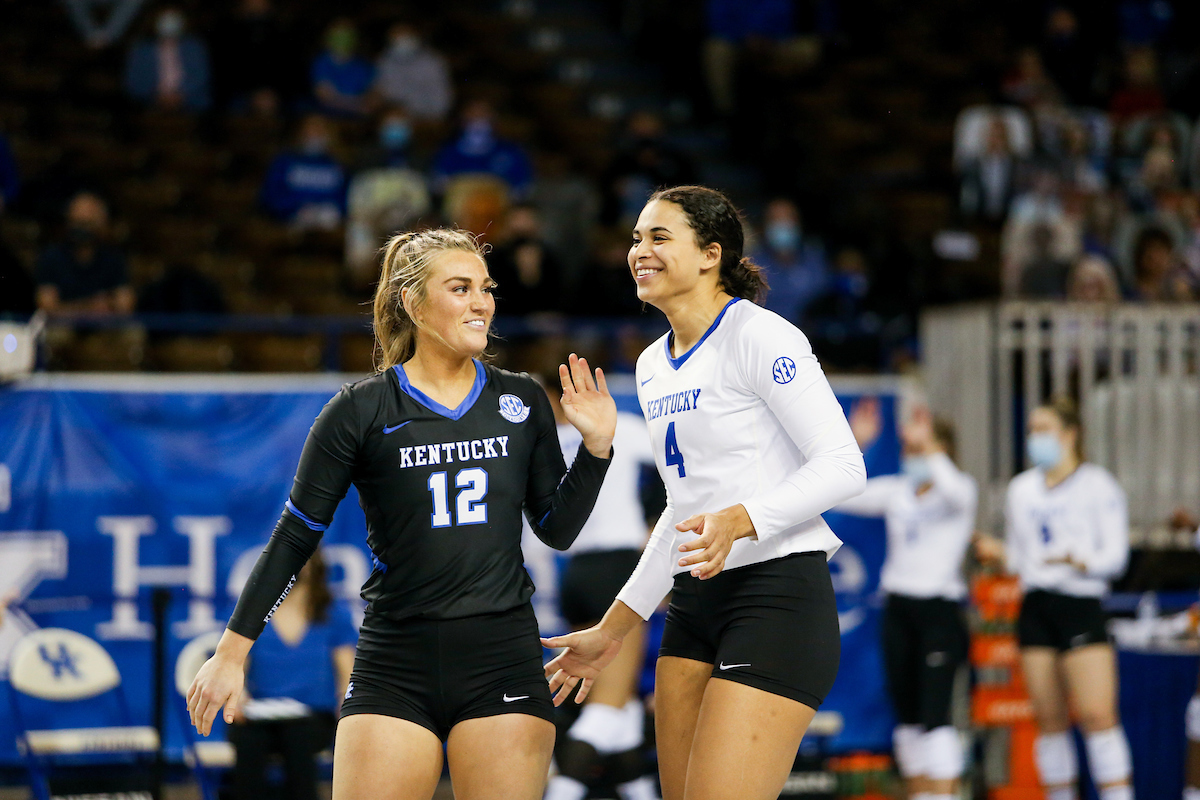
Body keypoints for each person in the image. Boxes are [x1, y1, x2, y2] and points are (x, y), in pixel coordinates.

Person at [187, 228, 617, 800]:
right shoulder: (359, 410)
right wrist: (230, 653)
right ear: (413, 304)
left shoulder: (521, 400)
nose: (481, 302)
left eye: (485, 288)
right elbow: (294, 538)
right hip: (396, 658)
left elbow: (556, 529)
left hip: (502, 657)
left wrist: (595, 451)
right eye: (460, 288)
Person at [541, 185, 867, 800]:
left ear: (710, 253)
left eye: (659, 237)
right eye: (637, 238)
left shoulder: (761, 335)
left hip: (777, 599)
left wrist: (743, 518)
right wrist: (611, 632)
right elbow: (681, 515)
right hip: (693, 608)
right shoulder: (649, 365)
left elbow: (844, 465)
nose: (640, 250)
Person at [978, 397, 1133, 800]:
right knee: (1049, 719)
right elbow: (1022, 554)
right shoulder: (1021, 489)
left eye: (1044, 430)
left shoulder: (1098, 485)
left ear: (1070, 434)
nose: (1035, 438)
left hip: (1080, 604)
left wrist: (1077, 560)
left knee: (1098, 715)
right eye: (1031, 431)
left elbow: (1115, 558)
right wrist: (1000, 552)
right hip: (1037, 606)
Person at [840, 399, 976, 800]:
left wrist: (930, 445)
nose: (913, 457)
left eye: (922, 450)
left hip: (939, 612)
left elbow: (953, 490)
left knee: (936, 718)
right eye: (910, 450)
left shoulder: (959, 490)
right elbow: (843, 492)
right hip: (898, 609)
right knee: (908, 719)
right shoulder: (898, 492)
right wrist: (854, 444)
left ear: (943, 453)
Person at [537, 377, 661, 800]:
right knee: (607, 709)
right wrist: (657, 521)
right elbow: (678, 456)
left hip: (576, 573)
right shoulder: (615, 428)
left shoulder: (545, 445)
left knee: (619, 703)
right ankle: (560, 789)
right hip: (617, 570)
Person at [228, 550, 356, 800]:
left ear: (317, 563)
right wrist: (240, 696)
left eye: (303, 555)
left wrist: (345, 705)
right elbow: (236, 663)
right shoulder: (252, 612)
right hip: (260, 714)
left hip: (312, 717)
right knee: (246, 739)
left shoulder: (333, 613)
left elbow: (347, 671)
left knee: (297, 737)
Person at [35, 191, 134, 315]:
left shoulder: (113, 257)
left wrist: (106, 307)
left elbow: (125, 304)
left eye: (88, 223)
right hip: (65, 324)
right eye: (78, 223)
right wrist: (89, 307)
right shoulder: (52, 257)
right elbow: (47, 307)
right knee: (59, 334)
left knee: (132, 332)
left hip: (104, 323)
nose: (83, 231)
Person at [260, 115, 347, 230]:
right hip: (287, 223)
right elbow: (271, 196)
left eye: (320, 130)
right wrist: (296, 209)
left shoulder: (336, 164)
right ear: (301, 133)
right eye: (311, 130)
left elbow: (345, 198)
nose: (315, 134)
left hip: (329, 223)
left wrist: (332, 209)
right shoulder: (284, 162)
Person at [432, 100, 534, 198]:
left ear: (493, 119)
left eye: (483, 115)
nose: (478, 121)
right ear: (462, 120)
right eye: (473, 116)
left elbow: (524, 187)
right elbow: (439, 185)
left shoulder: (511, 152)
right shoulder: (448, 152)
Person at [123, 6, 211, 111]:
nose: (169, 23)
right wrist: (157, 95)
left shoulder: (194, 46)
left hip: (191, 105)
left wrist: (180, 95)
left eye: (174, 18)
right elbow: (132, 82)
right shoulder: (141, 49)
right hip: (152, 106)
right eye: (165, 19)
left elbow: (201, 76)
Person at [372, 22, 453, 121]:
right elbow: (382, 90)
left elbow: (442, 100)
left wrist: (418, 116)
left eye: (404, 37)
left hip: (426, 118)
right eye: (396, 38)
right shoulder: (384, 61)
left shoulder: (432, 62)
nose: (400, 41)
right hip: (394, 117)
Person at [311, 19, 375, 117]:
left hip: (359, 117)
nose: (342, 40)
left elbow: (371, 94)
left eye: (346, 35)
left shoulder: (363, 66)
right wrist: (355, 105)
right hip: (328, 115)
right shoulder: (321, 63)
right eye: (337, 36)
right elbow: (324, 95)